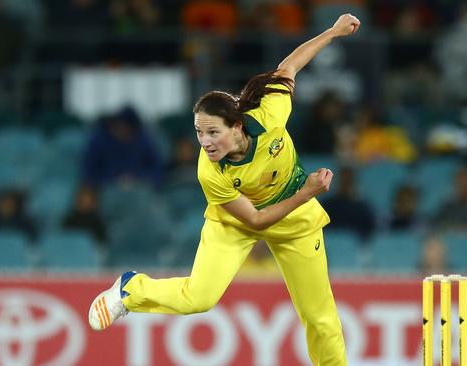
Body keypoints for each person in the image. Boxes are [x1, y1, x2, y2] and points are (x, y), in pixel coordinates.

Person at [88, 14, 361, 365]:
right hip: (237, 223)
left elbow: (291, 64)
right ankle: (130, 289)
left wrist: (334, 31)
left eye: (213, 133)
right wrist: (306, 192)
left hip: (295, 220)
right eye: (199, 133)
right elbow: (258, 221)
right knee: (197, 299)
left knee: (321, 318)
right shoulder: (210, 171)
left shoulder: (270, 113)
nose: (205, 142)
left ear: (236, 126)